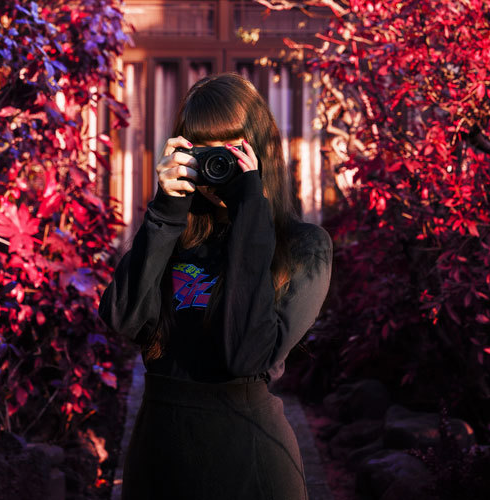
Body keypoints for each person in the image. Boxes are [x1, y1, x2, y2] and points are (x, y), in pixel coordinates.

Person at [99, 72, 332, 500]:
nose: (216, 165)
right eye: (203, 149)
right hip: (160, 460)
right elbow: (123, 318)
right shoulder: (172, 233)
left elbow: (245, 356)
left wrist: (250, 210)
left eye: (230, 149)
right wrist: (165, 211)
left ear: (259, 149)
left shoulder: (302, 248)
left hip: (251, 462)